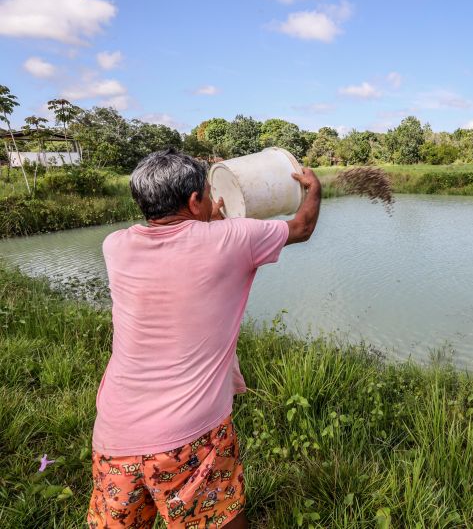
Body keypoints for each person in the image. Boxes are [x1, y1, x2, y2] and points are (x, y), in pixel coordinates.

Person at [87, 148, 321, 528]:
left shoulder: (115, 246)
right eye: (208, 194)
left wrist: (206, 222)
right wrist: (313, 190)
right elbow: (302, 227)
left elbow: (182, 244)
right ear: (195, 201)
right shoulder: (235, 239)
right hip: (190, 437)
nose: (215, 200)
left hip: (114, 434)